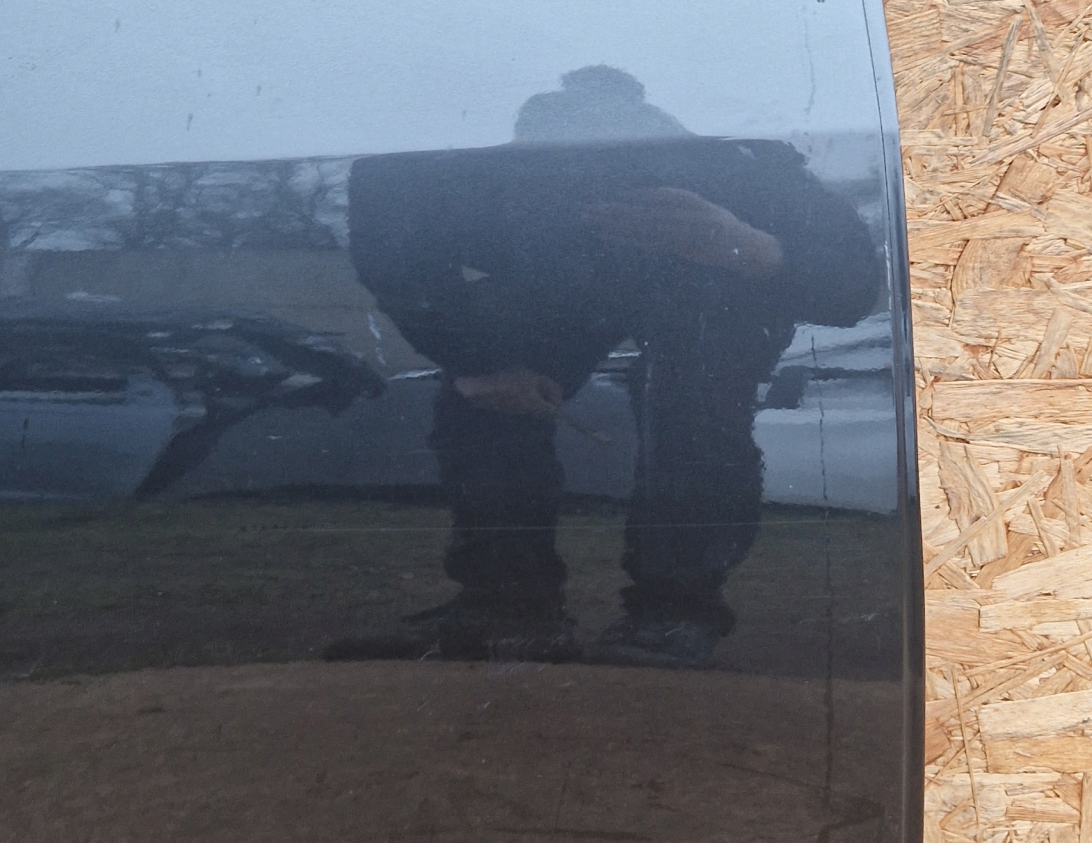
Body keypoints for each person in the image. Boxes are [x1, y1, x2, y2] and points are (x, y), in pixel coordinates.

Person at [341, 67, 880, 667]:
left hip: (710, 288)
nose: (592, 169)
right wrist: (475, 361)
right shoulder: (466, 172)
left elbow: (855, 285)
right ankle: (507, 607)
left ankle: (674, 610)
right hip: (558, 288)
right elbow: (393, 248)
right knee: (487, 393)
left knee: (695, 402)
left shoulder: (731, 164)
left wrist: (746, 245)